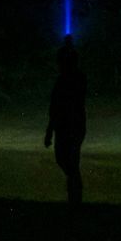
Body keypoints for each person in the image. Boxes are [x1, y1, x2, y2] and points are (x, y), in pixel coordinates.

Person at [44, 36, 86, 208]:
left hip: (68, 126)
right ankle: (75, 197)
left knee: (67, 161)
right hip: (74, 126)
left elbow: (56, 107)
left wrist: (49, 131)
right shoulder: (77, 78)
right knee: (68, 162)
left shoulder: (66, 81)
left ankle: (74, 198)